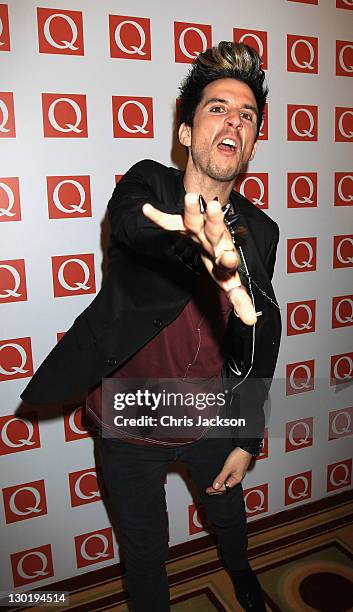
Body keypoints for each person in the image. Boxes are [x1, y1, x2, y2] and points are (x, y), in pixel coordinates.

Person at [21, 41, 281, 611]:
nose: (233, 120)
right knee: (144, 551)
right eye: (216, 107)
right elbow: (134, 229)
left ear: (252, 144)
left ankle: (242, 576)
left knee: (229, 519)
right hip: (127, 424)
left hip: (214, 418)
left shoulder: (261, 231)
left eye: (246, 115)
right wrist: (200, 252)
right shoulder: (147, 184)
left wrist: (248, 436)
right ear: (186, 132)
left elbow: (259, 335)